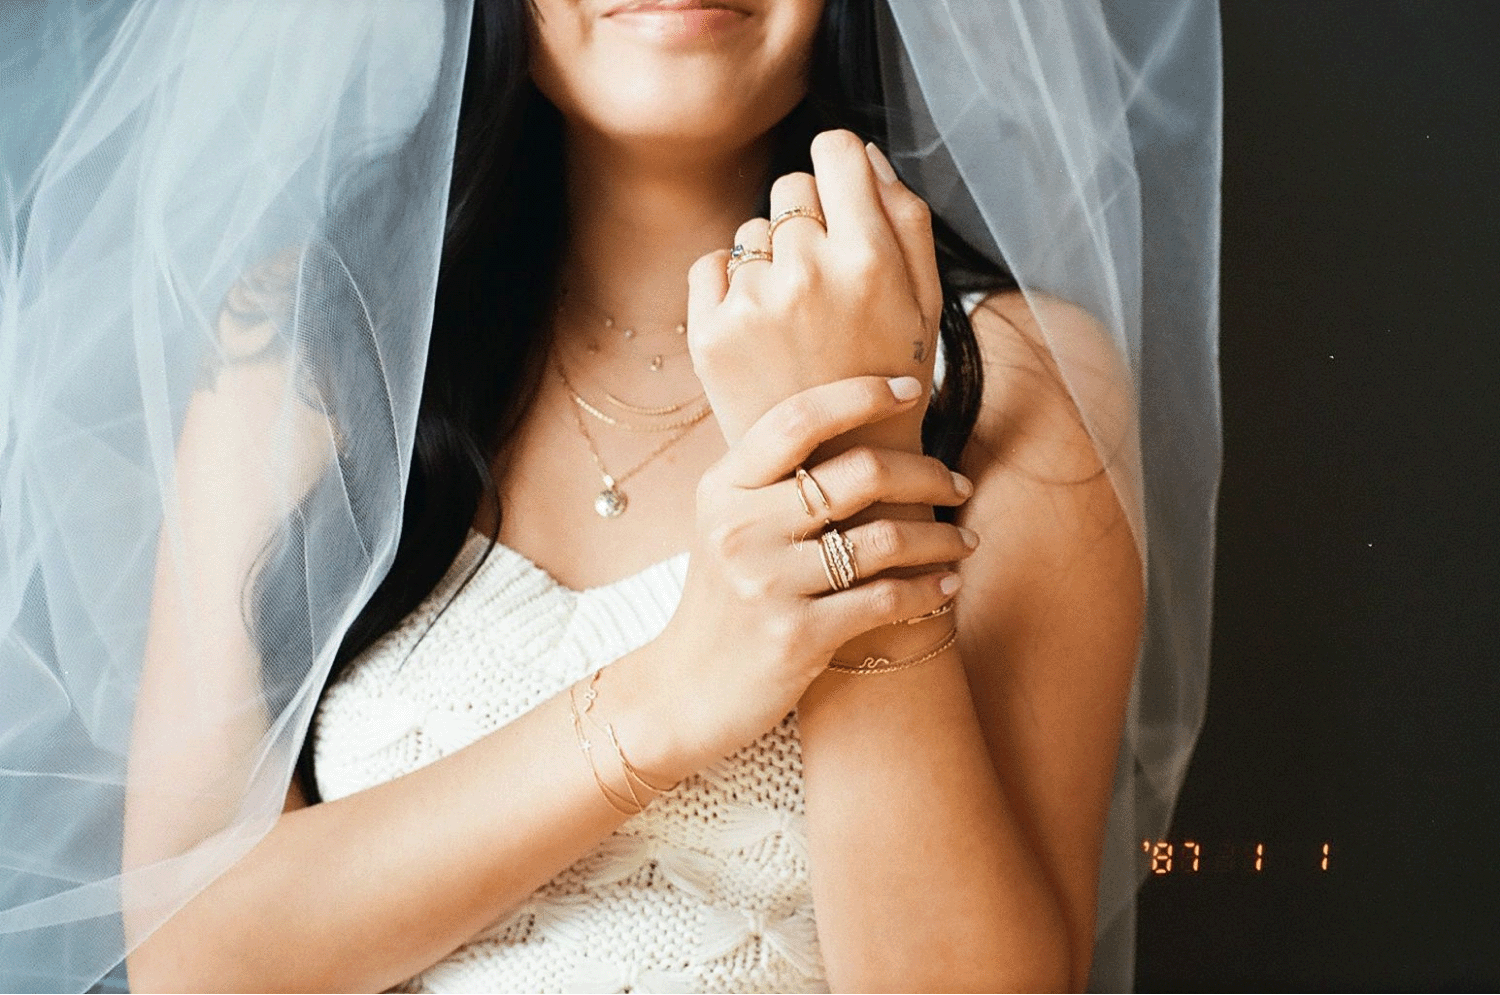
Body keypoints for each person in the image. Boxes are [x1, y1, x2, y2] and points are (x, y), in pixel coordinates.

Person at [0, 1, 1221, 991]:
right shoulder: (309, 352)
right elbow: (192, 960)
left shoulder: (1016, 385)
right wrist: (667, 695)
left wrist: (848, 440)